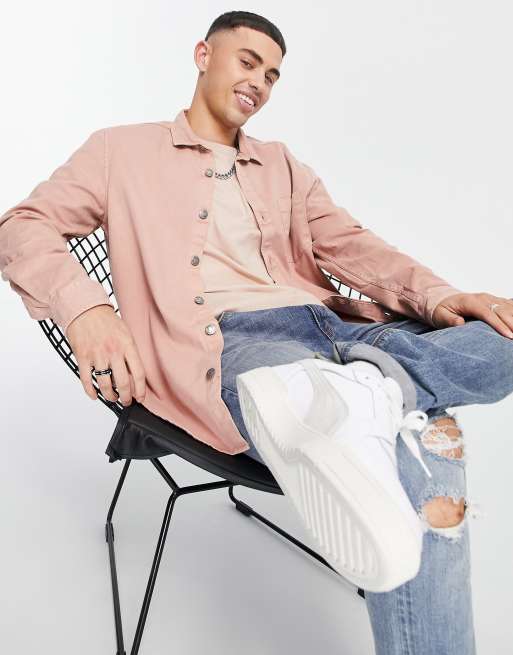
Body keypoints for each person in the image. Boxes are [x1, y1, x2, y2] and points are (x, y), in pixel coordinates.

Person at [1, 9, 512, 654]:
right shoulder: (120, 151)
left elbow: (354, 246)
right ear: (202, 55)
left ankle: (369, 395)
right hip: (234, 346)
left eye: (272, 75)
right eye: (248, 62)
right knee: (432, 445)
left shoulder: (282, 166)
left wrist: (443, 296)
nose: (260, 83)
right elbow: (22, 228)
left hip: (338, 335)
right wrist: (88, 312)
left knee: (501, 344)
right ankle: (377, 398)